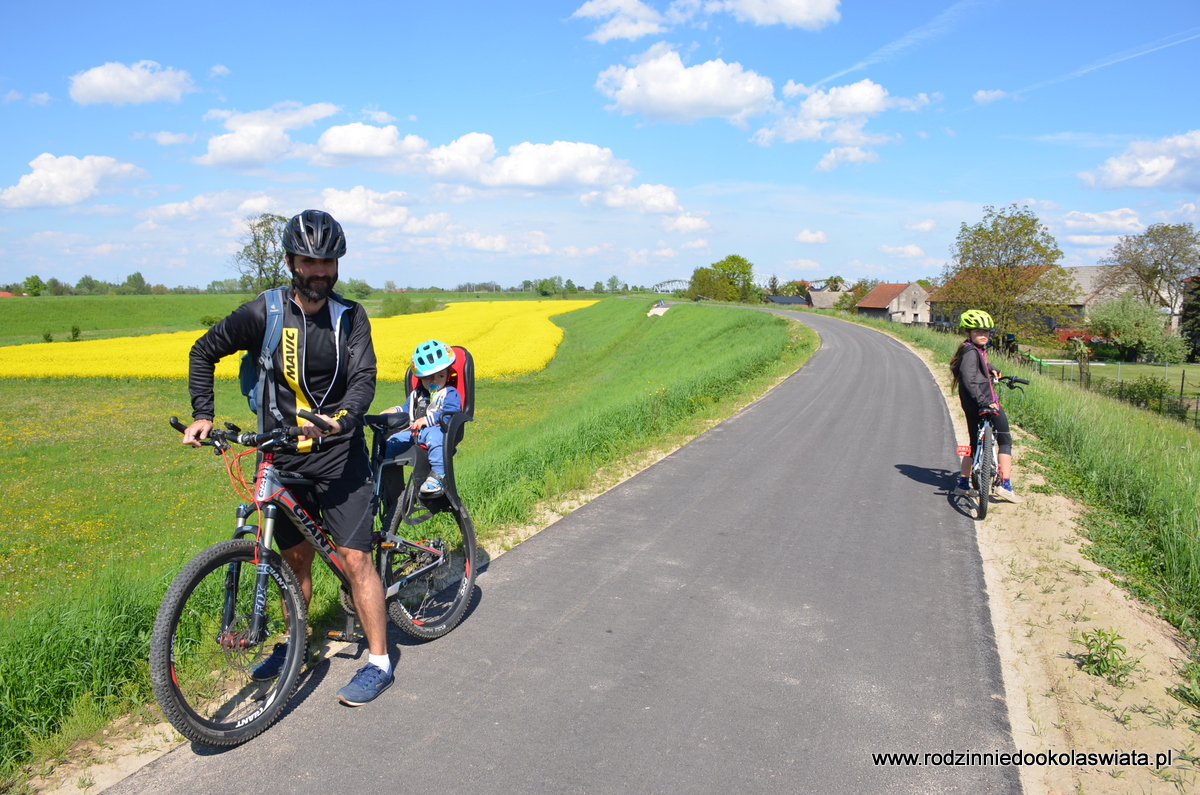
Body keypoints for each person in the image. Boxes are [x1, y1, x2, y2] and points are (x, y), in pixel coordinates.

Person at [182, 209, 394, 706]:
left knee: (355, 559)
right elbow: (202, 351)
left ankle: (380, 662)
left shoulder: (351, 316)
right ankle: (295, 643)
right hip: (281, 458)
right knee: (292, 562)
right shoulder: (265, 312)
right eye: (310, 262)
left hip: (340, 458)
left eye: (329, 262)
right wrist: (203, 414)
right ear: (291, 262)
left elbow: (364, 378)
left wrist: (345, 418)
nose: (320, 271)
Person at [950, 309, 1022, 504]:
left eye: (986, 332)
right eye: (977, 332)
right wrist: (984, 401)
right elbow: (968, 379)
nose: (983, 335)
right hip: (984, 402)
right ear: (968, 333)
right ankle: (1004, 485)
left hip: (972, 405)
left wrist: (990, 368)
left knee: (974, 445)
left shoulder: (968, 350)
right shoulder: (972, 352)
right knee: (1005, 440)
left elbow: (971, 368)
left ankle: (963, 485)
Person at [381, 340, 461, 498]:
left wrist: (427, 420)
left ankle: (438, 476)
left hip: (439, 430)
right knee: (392, 440)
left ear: (448, 374)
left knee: (435, 436)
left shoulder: (449, 393)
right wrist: (391, 411)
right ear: (420, 378)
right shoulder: (418, 393)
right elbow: (407, 408)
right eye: (428, 378)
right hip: (414, 433)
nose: (434, 381)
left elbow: (451, 412)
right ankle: (389, 482)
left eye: (440, 376)